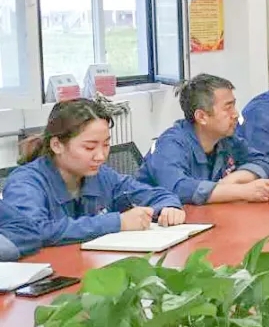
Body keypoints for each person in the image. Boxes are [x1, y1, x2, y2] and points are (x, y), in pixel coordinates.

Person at [2, 99, 185, 247]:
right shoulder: (26, 182)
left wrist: (169, 207)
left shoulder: (102, 176)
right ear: (57, 145)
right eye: (89, 147)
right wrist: (117, 222)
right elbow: (32, 231)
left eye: (106, 145)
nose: (101, 156)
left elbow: (154, 194)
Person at [137, 74, 269, 205]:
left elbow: (264, 162)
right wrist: (241, 191)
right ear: (201, 117)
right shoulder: (170, 144)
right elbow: (178, 188)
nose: (236, 114)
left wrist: (234, 180)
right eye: (228, 108)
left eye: (234, 106)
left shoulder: (226, 139)